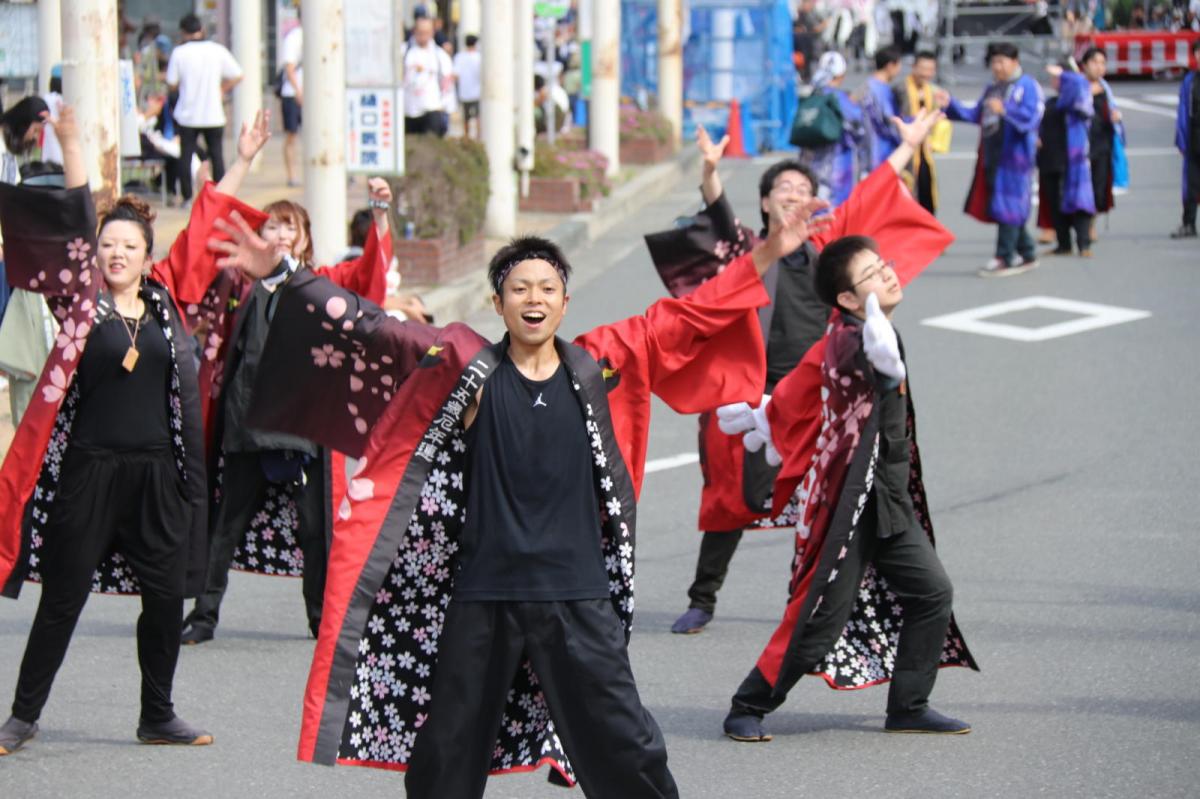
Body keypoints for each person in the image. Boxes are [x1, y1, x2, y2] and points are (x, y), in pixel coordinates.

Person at [202, 161, 834, 796]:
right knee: (447, 752)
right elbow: (371, 328)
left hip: (577, 593)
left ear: (565, 299)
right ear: (497, 302)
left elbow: (692, 315)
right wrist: (283, 275)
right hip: (485, 594)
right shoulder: (464, 368)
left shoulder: (601, 364)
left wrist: (771, 251)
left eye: (547, 288)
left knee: (627, 745)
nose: (534, 299)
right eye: (519, 288)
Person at [645, 108, 955, 634]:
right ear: (765, 201)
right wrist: (709, 171)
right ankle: (703, 597)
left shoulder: (827, 252)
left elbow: (871, 196)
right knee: (730, 501)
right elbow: (717, 216)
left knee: (835, 496)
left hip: (816, 393)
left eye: (803, 185)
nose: (793, 191)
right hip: (747, 394)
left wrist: (907, 147)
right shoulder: (745, 251)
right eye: (783, 186)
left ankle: (826, 598)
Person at [0, 106, 213, 756]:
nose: (116, 254)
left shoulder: (167, 309)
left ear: (149, 259)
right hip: (90, 469)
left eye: (129, 247)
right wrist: (71, 147)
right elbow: (68, 231)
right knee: (63, 597)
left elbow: (208, 237)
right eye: (108, 245)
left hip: (156, 474)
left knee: (163, 597)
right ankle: (21, 715)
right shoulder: (80, 304)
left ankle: (157, 713)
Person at [719, 234, 979, 743]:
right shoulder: (853, 338)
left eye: (883, 264)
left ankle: (908, 705)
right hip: (848, 504)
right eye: (871, 274)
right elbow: (841, 366)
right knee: (820, 622)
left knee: (932, 592)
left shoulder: (861, 330)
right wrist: (880, 366)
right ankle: (747, 705)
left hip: (888, 497)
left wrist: (770, 413)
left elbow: (802, 378)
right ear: (846, 300)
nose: (887, 273)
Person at [178, 117, 394, 646]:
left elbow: (371, 280)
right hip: (248, 421)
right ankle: (203, 616)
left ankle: (320, 619)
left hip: (306, 428)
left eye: (289, 228)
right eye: (270, 227)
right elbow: (201, 246)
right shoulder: (239, 281)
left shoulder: (324, 283)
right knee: (225, 525)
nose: (278, 235)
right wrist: (228, 169)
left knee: (315, 531)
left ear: (304, 239)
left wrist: (381, 217)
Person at [941, 41, 1045, 277]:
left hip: (1016, 158)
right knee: (1003, 205)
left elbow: (1032, 119)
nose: (997, 67)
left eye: (1001, 61)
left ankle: (1004, 256)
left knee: (1009, 206)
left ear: (1015, 62)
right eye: (994, 62)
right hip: (992, 154)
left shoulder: (1027, 86)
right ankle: (1027, 252)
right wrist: (950, 104)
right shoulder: (993, 88)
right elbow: (975, 114)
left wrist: (1006, 110)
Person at [165, 12, 243, 203]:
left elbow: (171, 83)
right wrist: (221, 90)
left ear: (183, 32)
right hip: (213, 113)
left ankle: (187, 196)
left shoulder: (179, 53)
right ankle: (222, 195)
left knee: (186, 155)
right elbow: (238, 75)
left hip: (187, 114)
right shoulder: (217, 50)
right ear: (202, 29)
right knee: (217, 155)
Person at [1036, 61, 1097, 256]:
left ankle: (1084, 244)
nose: (1055, 80)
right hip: (1050, 160)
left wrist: (1065, 74)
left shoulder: (1078, 102)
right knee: (1055, 203)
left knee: (1079, 203)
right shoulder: (1051, 102)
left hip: (1074, 160)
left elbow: (1079, 84)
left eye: (1058, 77)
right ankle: (1064, 244)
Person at [798, 51, 865, 207]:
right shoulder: (839, 99)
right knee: (833, 213)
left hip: (808, 164)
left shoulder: (812, 94)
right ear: (841, 75)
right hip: (836, 164)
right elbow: (858, 127)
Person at [1080, 47, 1122, 242]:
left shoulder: (1105, 88)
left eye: (1103, 63)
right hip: (1080, 146)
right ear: (1085, 65)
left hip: (1103, 144)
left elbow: (1112, 110)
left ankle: (1090, 226)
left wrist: (1115, 117)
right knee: (1079, 188)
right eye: (1095, 62)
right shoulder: (1078, 86)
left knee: (1099, 187)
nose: (1099, 67)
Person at [897, 51, 944, 214]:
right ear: (914, 67)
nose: (926, 74)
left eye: (930, 70)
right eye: (923, 69)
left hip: (924, 152)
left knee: (927, 197)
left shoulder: (933, 91)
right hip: (905, 152)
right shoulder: (900, 89)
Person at [403, 17, 453, 137]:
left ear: (432, 33)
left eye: (426, 32)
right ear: (414, 31)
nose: (423, 36)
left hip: (432, 108)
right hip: (409, 110)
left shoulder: (440, 56)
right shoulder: (405, 52)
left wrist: (445, 106)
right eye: (420, 32)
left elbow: (447, 83)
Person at [1171, 37, 1200, 238]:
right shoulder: (1190, 80)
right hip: (1194, 138)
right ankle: (1188, 223)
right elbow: (1182, 111)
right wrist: (1181, 138)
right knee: (1191, 185)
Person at [858, 45, 903, 172]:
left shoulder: (864, 87)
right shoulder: (883, 91)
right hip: (881, 152)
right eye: (898, 65)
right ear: (890, 66)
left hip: (864, 153)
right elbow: (891, 122)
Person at [279, 20, 303, 187]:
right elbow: (289, 67)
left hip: (316, 96)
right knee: (291, 135)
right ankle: (291, 175)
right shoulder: (295, 36)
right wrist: (299, 91)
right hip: (293, 94)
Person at [453, 34, 482, 139]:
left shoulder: (459, 57)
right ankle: (478, 137)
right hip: (477, 92)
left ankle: (467, 137)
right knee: (478, 117)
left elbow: (455, 75)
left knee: (466, 118)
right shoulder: (479, 57)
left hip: (464, 92)